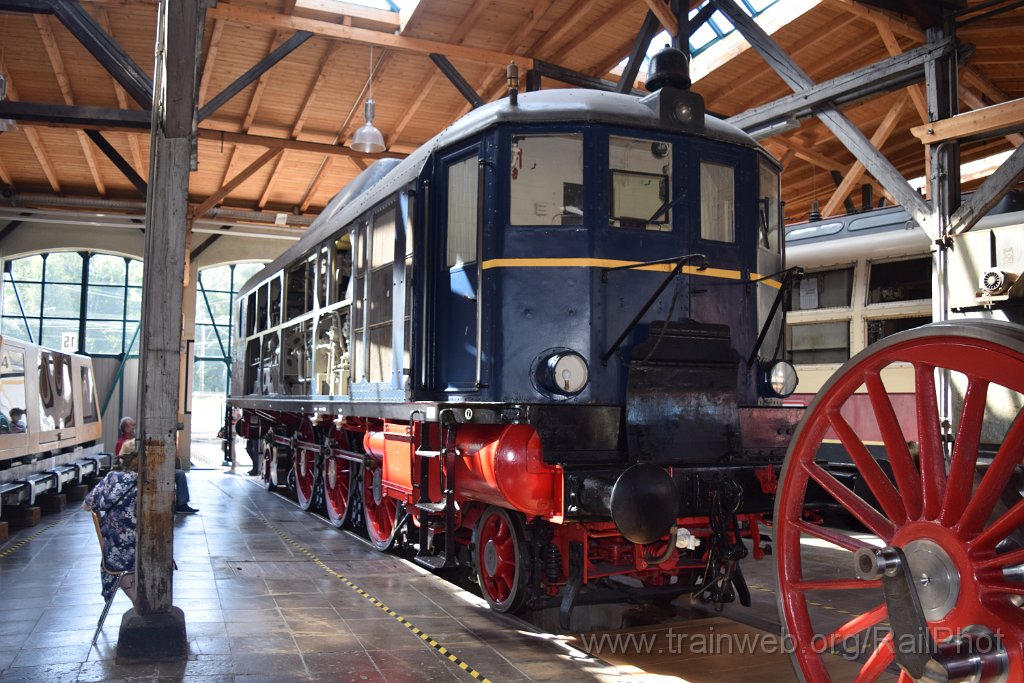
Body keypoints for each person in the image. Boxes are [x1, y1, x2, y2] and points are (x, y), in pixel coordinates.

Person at [83, 439, 139, 603]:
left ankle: (137, 601)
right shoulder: (153, 480)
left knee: (121, 564)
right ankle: (142, 602)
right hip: (147, 545)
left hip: (116, 547)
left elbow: (86, 506)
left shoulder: (113, 478)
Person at [116, 416, 198, 514]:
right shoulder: (123, 443)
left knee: (179, 473)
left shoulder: (138, 440)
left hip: (151, 469)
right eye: (133, 425)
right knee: (179, 474)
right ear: (126, 429)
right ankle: (180, 505)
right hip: (140, 472)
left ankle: (181, 503)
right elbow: (122, 463)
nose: (135, 427)